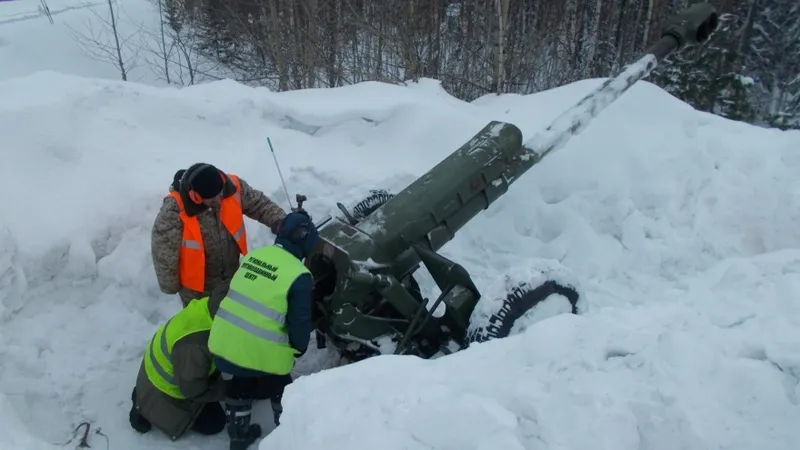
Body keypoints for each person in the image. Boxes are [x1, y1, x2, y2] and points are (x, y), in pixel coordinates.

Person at [206, 211, 318, 450]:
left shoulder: (255, 256)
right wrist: (298, 349)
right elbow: (299, 324)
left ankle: (238, 436)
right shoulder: (299, 276)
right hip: (257, 353)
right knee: (283, 384)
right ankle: (287, 436)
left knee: (242, 378)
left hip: (223, 343)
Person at [151, 162, 287, 307]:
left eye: (220, 195)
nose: (218, 201)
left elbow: (259, 204)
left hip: (231, 276)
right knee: (203, 325)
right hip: (197, 290)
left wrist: (282, 222)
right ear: (195, 196)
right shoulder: (174, 209)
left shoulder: (233, 187)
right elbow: (163, 250)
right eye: (211, 199)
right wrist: (169, 285)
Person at [128, 282, 232, 441]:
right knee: (215, 423)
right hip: (169, 388)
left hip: (169, 370)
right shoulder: (197, 344)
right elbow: (192, 390)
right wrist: (229, 390)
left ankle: (143, 398)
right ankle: (145, 408)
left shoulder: (210, 306)